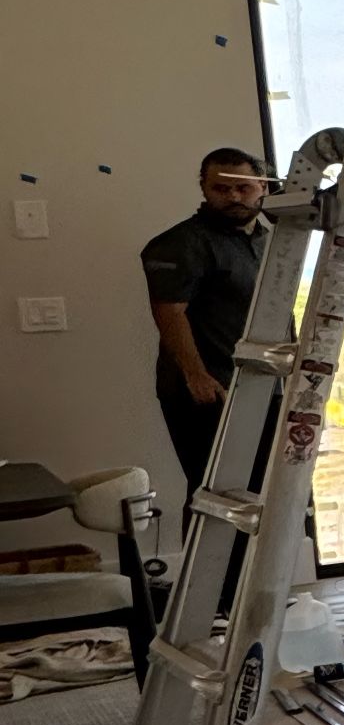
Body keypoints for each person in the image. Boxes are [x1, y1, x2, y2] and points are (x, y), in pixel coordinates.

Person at [140, 148, 271, 490]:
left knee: (267, 488)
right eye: (221, 189)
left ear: (263, 186)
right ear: (204, 188)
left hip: (263, 385)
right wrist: (196, 376)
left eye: (243, 187)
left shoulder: (269, 241)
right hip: (210, 391)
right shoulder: (180, 244)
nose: (233, 197)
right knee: (214, 492)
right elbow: (169, 312)